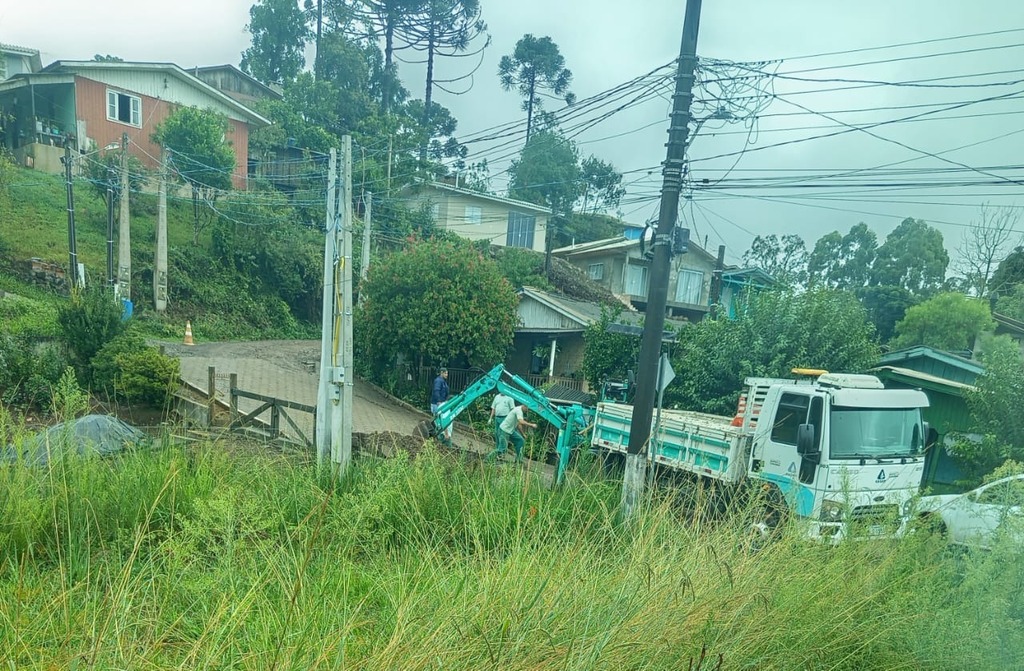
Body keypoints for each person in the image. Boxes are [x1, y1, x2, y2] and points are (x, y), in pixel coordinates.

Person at [430, 368, 451, 445]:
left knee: (440, 420)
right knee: (439, 421)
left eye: (447, 373)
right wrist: (439, 401)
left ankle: (439, 438)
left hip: (442, 403)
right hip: (437, 404)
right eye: (445, 373)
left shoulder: (443, 382)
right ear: (441, 373)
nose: (447, 375)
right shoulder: (438, 381)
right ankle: (437, 438)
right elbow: (436, 391)